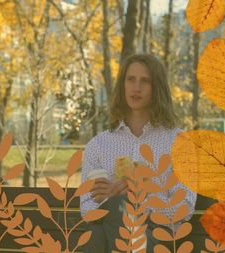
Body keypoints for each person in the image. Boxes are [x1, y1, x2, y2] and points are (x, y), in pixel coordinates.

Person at [80, 54, 197, 252]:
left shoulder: (180, 143)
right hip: (111, 235)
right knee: (101, 227)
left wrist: (139, 196)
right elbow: (87, 207)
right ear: (122, 85)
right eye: (131, 79)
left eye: (145, 81)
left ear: (157, 87)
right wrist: (115, 200)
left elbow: (185, 207)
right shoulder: (98, 145)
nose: (136, 88)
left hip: (161, 238)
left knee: (109, 220)